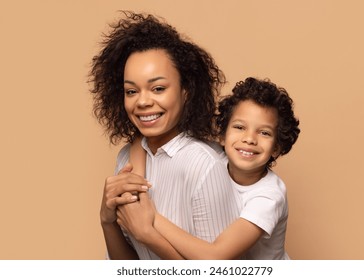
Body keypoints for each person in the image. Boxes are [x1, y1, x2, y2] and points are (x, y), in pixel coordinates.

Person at [88, 11, 241, 259]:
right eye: (131, 91)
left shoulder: (205, 165)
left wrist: (147, 233)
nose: (143, 101)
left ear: (186, 90)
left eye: (158, 88)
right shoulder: (128, 157)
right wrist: (107, 221)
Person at [120, 77, 300, 259]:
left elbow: (215, 257)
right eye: (239, 127)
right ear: (222, 136)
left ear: (276, 148)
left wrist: (152, 218)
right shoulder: (215, 156)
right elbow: (139, 140)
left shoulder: (269, 196)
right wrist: (138, 182)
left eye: (264, 133)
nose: (249, 139)